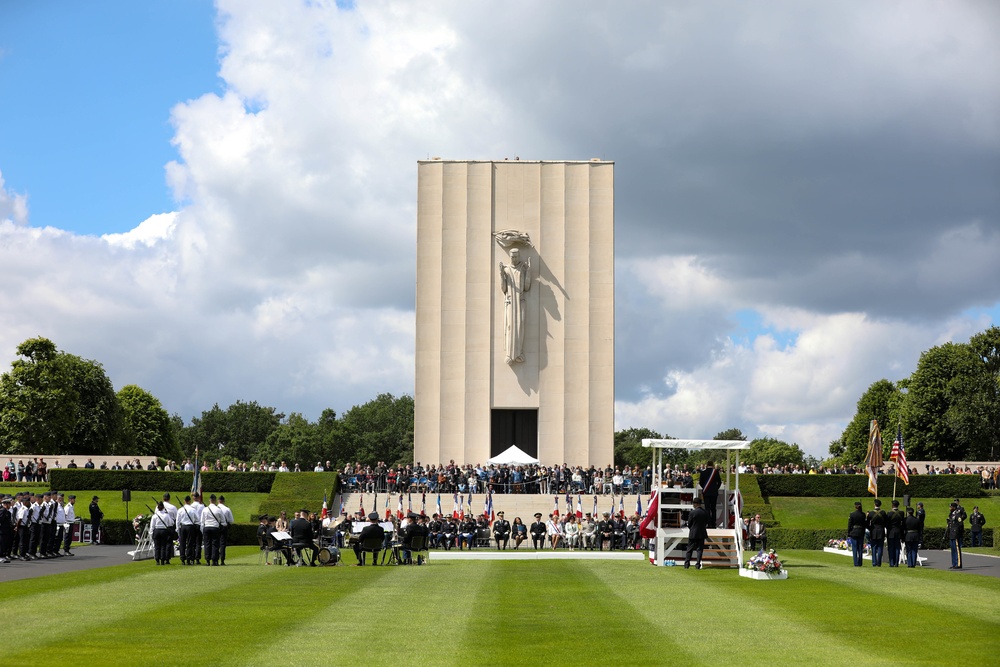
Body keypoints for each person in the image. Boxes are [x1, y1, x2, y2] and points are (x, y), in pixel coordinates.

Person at [498, 245, 531, 364]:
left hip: (520, 301)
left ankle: (518, 354)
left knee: (519, 327)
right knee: (509, 327)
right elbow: (503, 288)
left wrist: (528, 272)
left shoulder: (522, 268)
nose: (514, 259)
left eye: (516, 257)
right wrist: (501, 274)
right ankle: (509, 354)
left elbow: (527, 287)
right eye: (512, 257)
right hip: (510, 302)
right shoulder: (506, 269)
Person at [684, 498, 710, 569]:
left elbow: (689, 524)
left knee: (689, 549)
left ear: (696, 504)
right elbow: (707, 522)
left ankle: (687, 564)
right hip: (702, 532)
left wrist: (692, 528)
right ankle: (698, 564)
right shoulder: (705, 512)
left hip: (693, 533)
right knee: (699, 550)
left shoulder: (692, 512)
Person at [200, 494, 224, 566]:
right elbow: (223, 521)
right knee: (215, 544)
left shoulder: (205, 509)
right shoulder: (218, 509)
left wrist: (202, 530)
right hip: (215, 527)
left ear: (209, 500)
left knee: (207, 544)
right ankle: (214, 560)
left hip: (207, 527)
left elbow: (202, 521)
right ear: (215, 500)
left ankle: (207, 560)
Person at [176, 496, 199, 565]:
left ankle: (182, 558)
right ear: (189, 501)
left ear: (184, 501)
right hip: (190, 526)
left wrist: (177, 529)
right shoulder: (193, 509)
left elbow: (177, 521)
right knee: (190, 543)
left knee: (182, 543)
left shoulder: (180, 510)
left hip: (183, 526)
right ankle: (189, 558)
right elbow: (197, 519)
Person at [698, 461, 722, 527]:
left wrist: (705, 487)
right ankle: (713, 523)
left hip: (706, 492)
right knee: (713, 508)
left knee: (707, 508)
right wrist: (716, 488)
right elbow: (719, 482)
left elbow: (701, 483)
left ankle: (708, 522)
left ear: (707, 465)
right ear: (713, 465)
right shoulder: (716, 472)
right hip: (714, 492)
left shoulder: (703, 472)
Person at [947, 501, 967, 569]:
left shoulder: (957, 514)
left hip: (955, 533)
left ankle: (958, 564)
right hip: (951, 533)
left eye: (951, 507)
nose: (950, 508)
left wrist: (957, 531)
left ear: (954, 507)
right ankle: (954, 564)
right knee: (953, 549)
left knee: (957, 549)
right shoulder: (951, 514)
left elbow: (960, 523)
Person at [867, 499, 887, 567]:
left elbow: (867, 523)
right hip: (881, 531)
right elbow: (886, 522)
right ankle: (879, 563)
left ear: (874, 504)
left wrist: (871, 528)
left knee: (874, 547)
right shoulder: (883, 513)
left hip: (873, 531)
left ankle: (874, 562)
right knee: (880, 547)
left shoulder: (871, 513)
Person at [847, 501, 867, 567]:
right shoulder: (863, 514)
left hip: (854, 532)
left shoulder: (852, 514)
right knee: (860, 548)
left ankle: (856, 563)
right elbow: (864, 524)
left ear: (855, 506)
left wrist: (849, 532)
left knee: (855, 548)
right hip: (861, 532)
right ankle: (860, 562)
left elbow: (850, 524)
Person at [886, 499, 904, 567]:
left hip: (891, 532)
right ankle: (896, 563)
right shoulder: (901, 513)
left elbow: (887, 523)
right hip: (898, 531)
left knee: (891, 548)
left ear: (892, 505)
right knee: (897, 548)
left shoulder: (889, 513)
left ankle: (891, 562)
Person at [216, 495, 234, 565]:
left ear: (218, 500)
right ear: (223, 501)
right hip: (224, 527)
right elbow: (231, 520)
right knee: (223, 544)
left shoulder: (214, 508)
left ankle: (215, 559)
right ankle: (222, 560)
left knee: (215, 543)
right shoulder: (227, 509)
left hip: (216, 527)